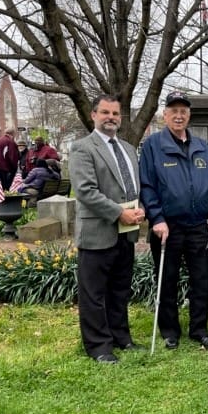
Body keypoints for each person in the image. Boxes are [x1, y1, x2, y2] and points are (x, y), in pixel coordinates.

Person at [139, 90, 208, 350]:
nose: (179, 116)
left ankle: (199, 329)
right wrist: (156, 217)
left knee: (201, 279)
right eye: (174, 111)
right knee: (167, 278)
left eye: (183, 111)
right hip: (167, 226)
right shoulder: (153, 145)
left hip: (198, 226)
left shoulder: (202, 146)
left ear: (189, 115)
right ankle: (169, 331)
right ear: (165, 115)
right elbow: (147, 185)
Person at [69, 94, 145, 364]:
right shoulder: (82, 148)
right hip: (98, 232)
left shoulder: (128, 148)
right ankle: (99, 347)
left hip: (126, 233)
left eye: (115, 113)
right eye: (105, 112)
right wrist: (118, 213)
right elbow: (86, 191)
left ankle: (121, 337)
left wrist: (140, 208)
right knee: (94, 294)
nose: (111, 117)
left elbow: (134, 187)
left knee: (119, 290)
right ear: (93, 115)